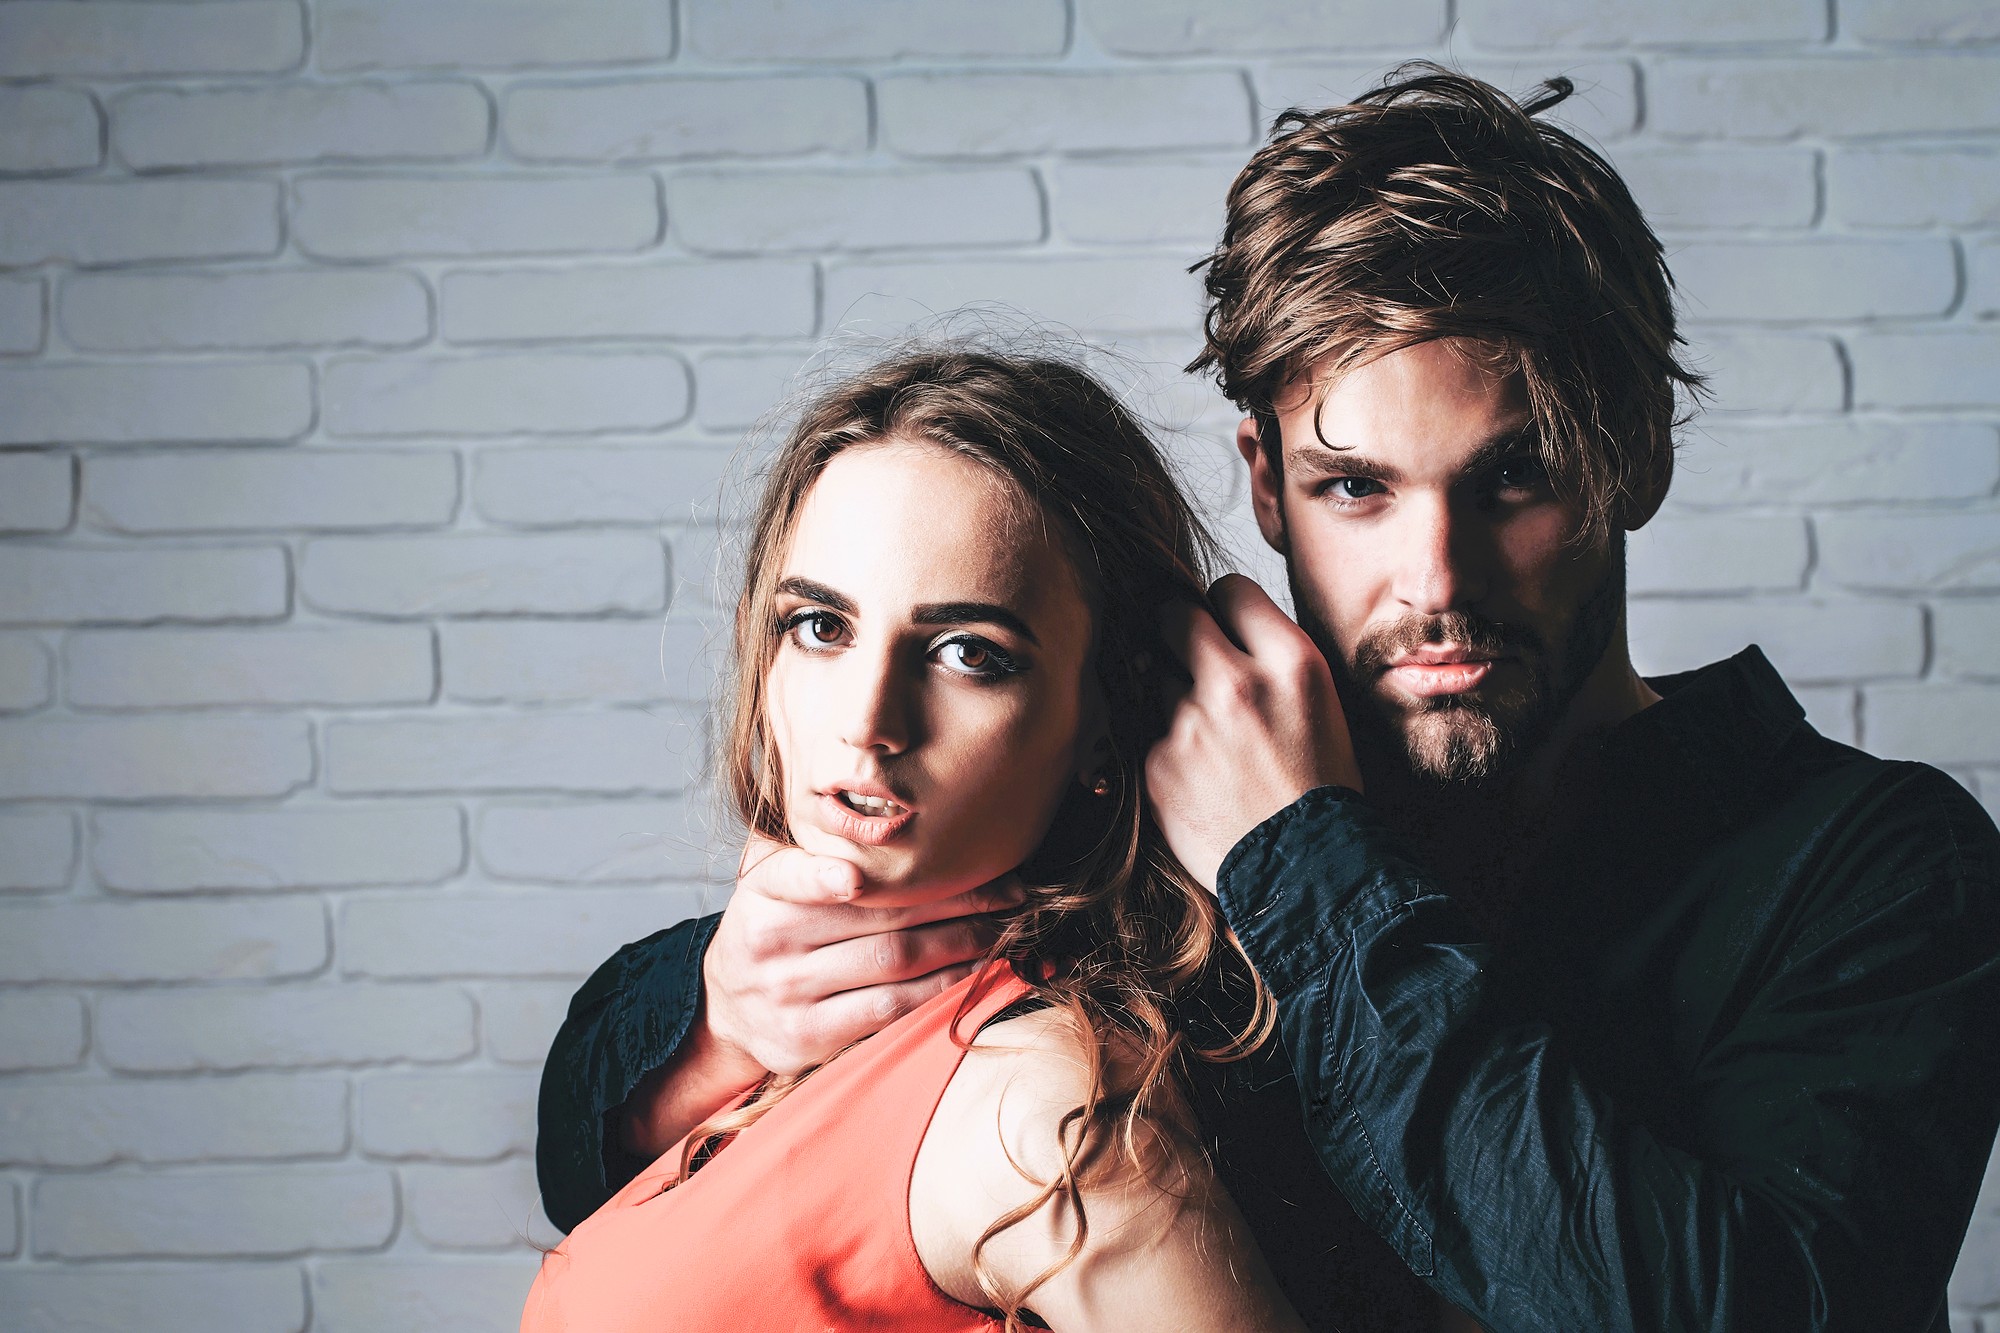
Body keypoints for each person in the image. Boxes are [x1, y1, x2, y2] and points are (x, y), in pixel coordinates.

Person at [538, 67, 2000, 1332]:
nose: (1437, 576)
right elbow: (606, 1107)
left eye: (1515, 479)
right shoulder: (1175, 809)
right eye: (1354, 487)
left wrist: (1305, 862)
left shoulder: (1872, 865)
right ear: (1264, 483)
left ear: (1635, 461)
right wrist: (712, 1029)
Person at [523, 347, 1312, 1332]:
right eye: (819, 626)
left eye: (966, 653)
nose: (866, 721)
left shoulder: (1043, 1111)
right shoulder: (796, 1033)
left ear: (1101, 717)